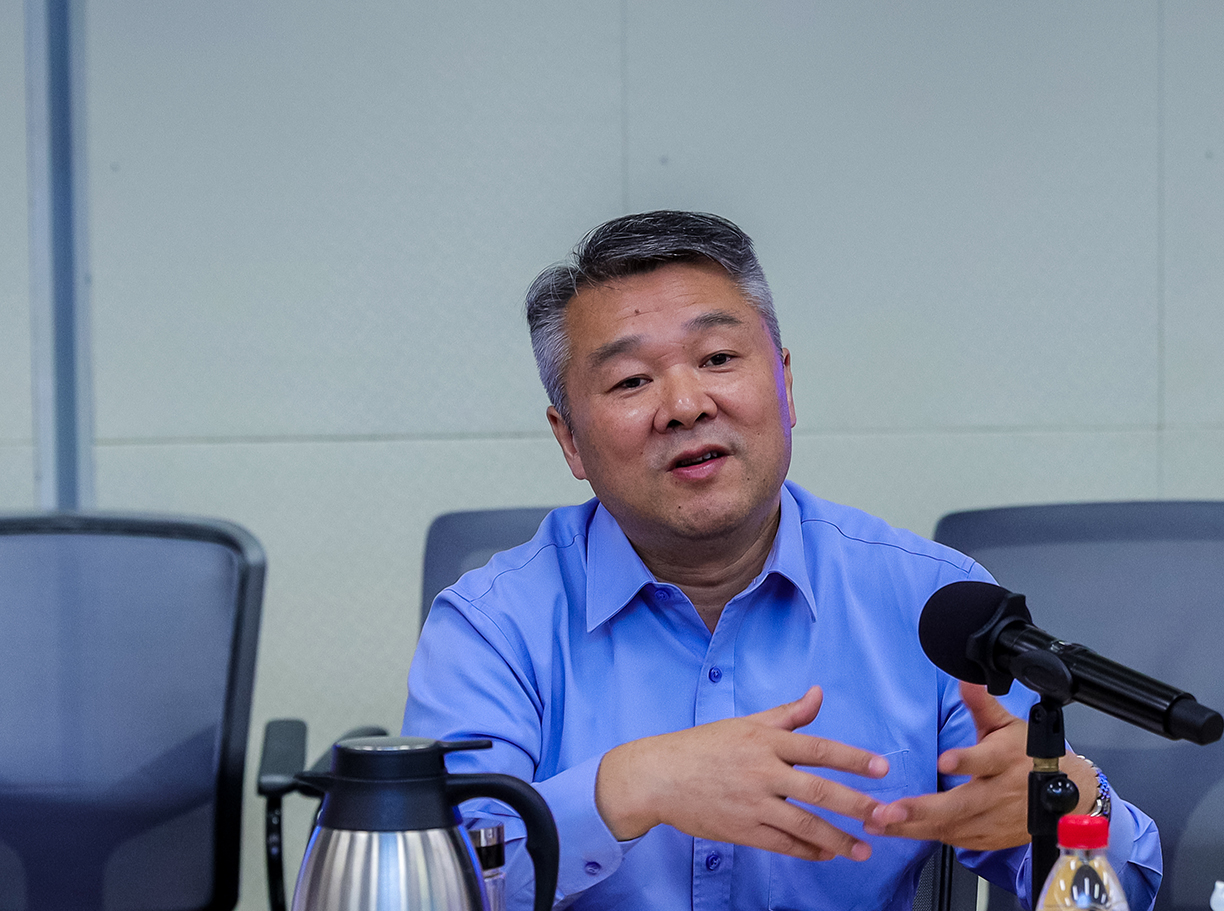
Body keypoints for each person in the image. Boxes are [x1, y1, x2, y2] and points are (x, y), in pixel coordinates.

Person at [403, 210, 1161, 911]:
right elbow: (427, 889)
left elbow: (1115, 894)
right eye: (632, 380)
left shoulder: (932, 602)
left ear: (785, 384)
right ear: (569, 438)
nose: (686, 404)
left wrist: (1072, 806)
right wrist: (627, 787)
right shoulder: (491, 625)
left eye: (718, 357)